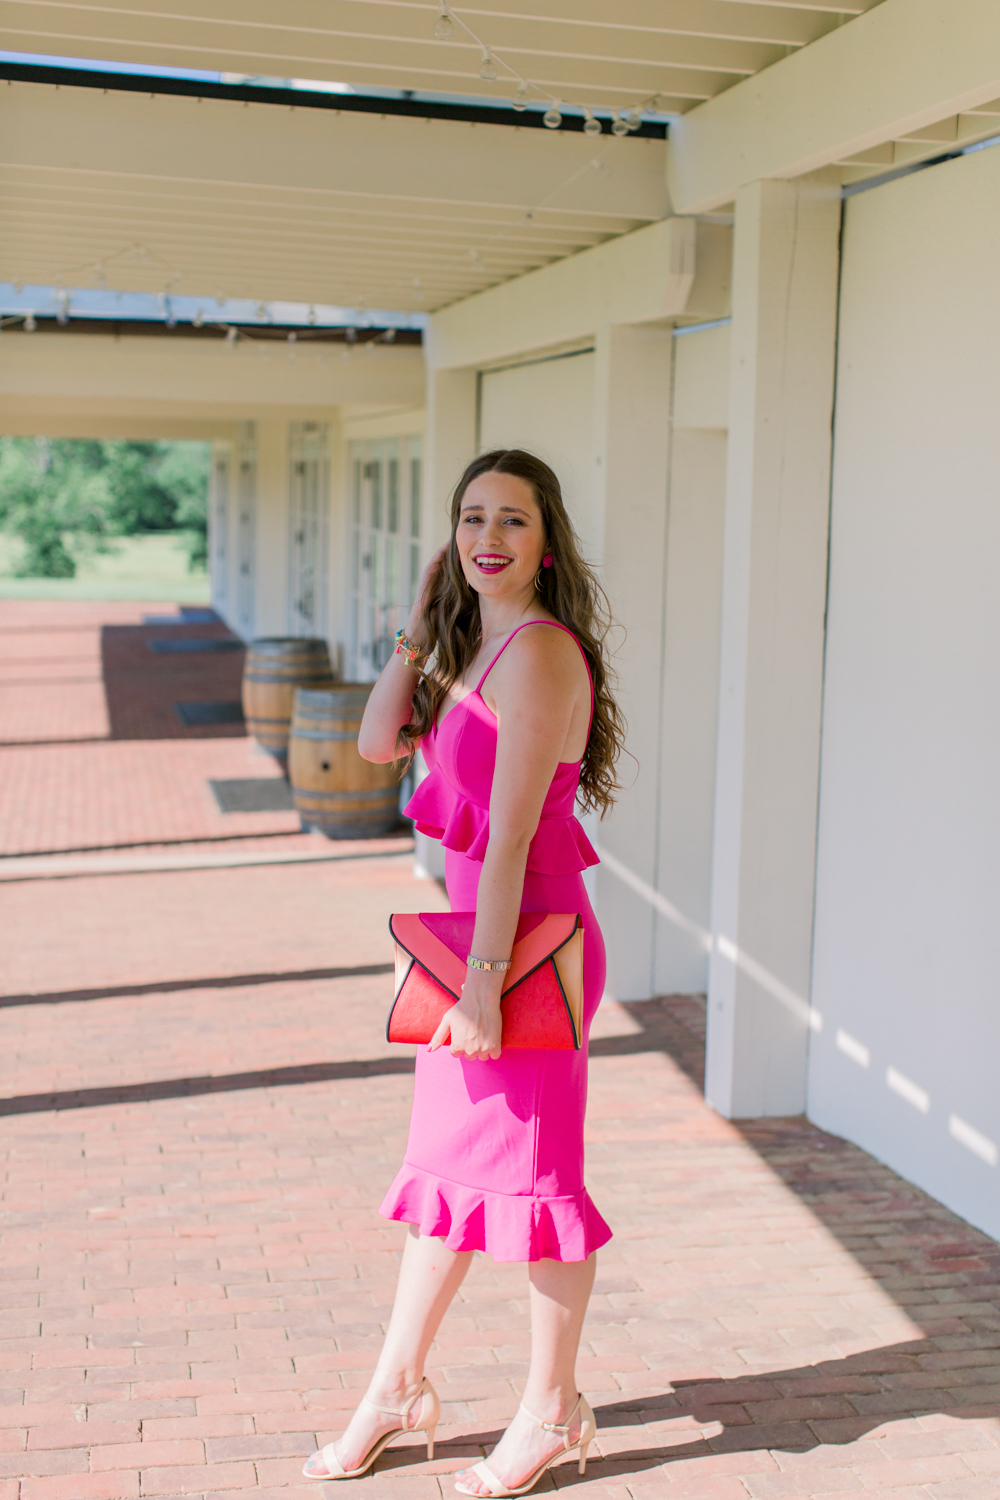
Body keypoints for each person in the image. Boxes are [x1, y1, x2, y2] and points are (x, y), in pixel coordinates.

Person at [302, 449, 626, 1496]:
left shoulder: (535, 655)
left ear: (546, 540)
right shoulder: (474, 648)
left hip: (523, 952)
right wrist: (420, 614)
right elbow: (371, 736)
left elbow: (517, 836)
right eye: (471, 518)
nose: (490, 537)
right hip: (472, 949)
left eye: (513, 521)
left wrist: (483, 986)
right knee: (443, 1181)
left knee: (537, 1188)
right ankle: (395, 1389)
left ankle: (550, 1411)